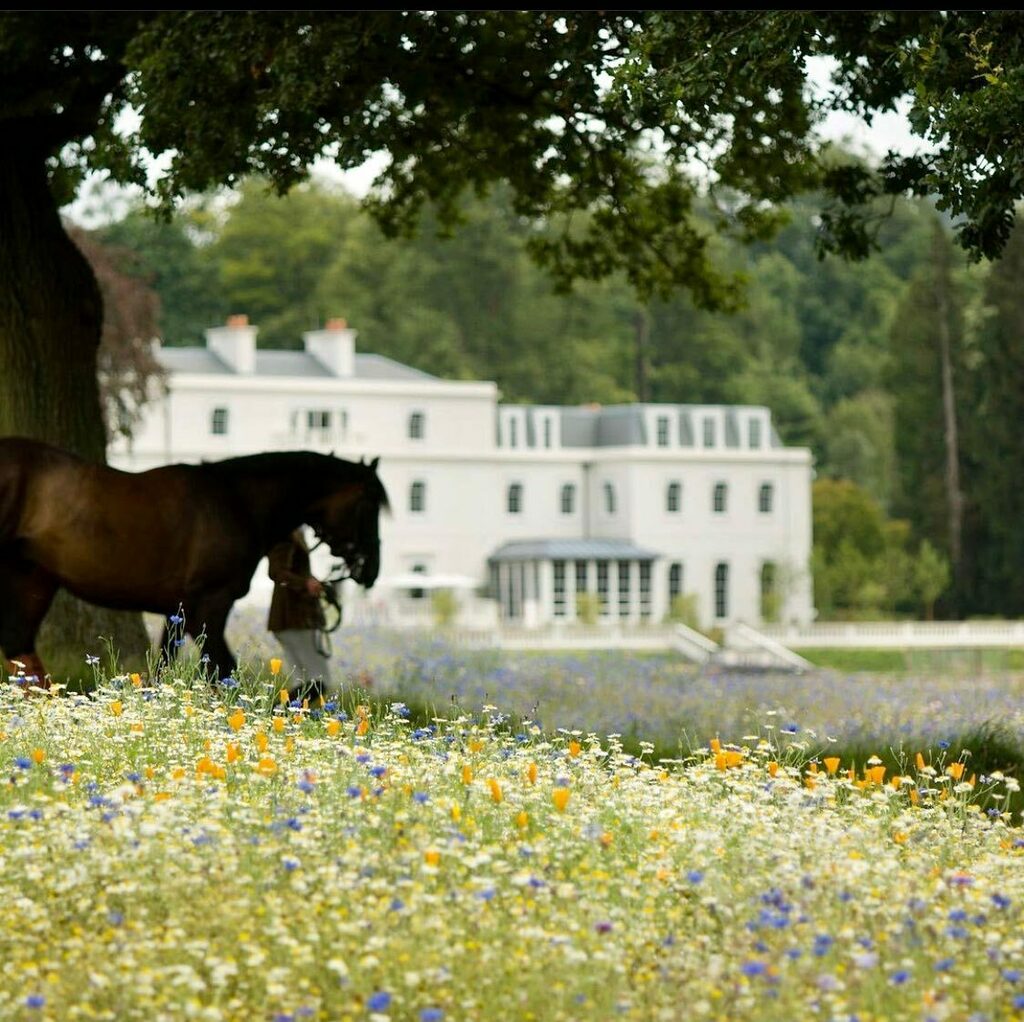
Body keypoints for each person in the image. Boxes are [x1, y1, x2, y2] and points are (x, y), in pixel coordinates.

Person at [267, 528, 333, 695]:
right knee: (319, 681)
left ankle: (283, 717)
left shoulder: (294, 534)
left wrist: (309, 581)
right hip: (294, 617)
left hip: (293, 618)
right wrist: (305, 584)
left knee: (303, 681)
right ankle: (278, 715)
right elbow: (278, 572)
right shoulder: (286, 536)